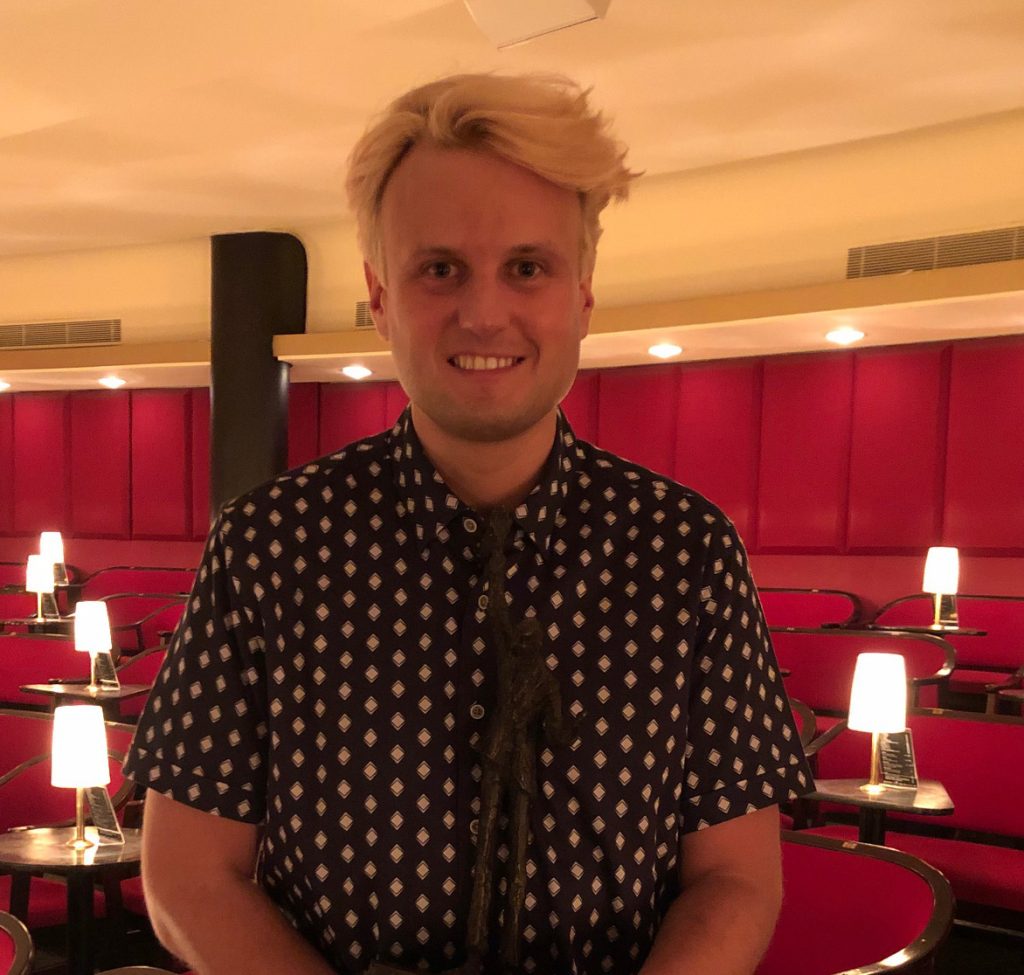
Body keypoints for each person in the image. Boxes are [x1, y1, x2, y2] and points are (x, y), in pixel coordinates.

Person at [126, 73, 813, 975]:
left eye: (527, 267)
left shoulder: (688, 551)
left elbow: (736, 877)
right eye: (440, 268)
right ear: (381, 296)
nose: (484, 313)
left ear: (582, 295)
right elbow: (188, 874)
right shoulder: (268, 544)